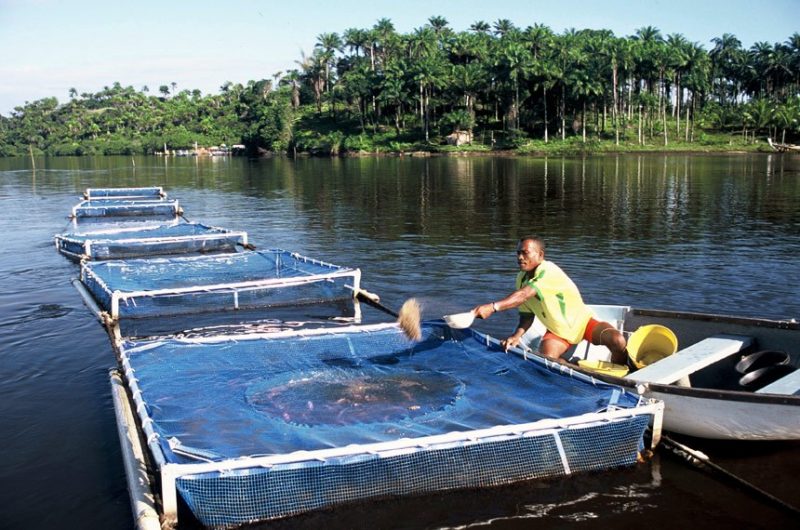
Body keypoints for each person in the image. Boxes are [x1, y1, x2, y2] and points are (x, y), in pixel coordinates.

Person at [473, 236, 627, 364]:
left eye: (525, 253)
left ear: (540, 255)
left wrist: (492, 307)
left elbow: (523, 295)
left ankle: (621, 372)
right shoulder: (521, 278)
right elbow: (527, 315)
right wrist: (516, 336)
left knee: (618, 341)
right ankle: (579, 369)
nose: (520, 258)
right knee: (547, 361)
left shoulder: (548, 271)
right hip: (558, 332)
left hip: (583, 323)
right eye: (518, 253)